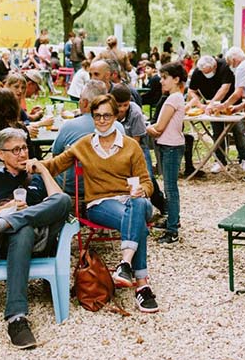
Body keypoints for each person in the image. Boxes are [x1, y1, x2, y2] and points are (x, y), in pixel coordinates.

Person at [37, 95, 160, 313]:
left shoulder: (131, 146)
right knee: (136, 217)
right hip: (101, 204)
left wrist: (143, 190)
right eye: (97, 116)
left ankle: (125, 264)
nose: (102, 120)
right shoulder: (83, 145)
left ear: (116, 116)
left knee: (138, 204)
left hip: (133, 199)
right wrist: (33, 164)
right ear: (92, 117)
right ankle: (142, 285)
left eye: (107, 115)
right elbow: (54, 165)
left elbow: (147, 182)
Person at [0, 127, 71, 349]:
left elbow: (60, 202)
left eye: (24, 148)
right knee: (23, 229)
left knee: (64, 200)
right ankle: (16, 318)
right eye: (16, 150)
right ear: (1, 154)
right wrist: (2, 210)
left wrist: (44, 171)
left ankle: (9, 222)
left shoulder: (36, 176)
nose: (22, 154)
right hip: (5, 243)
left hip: (41, 239)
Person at [145, 62, 187, 243]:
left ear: (176, 79)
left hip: (170, 147)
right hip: (168, 145)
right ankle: (171, 220)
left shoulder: (173, 99)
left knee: (170, 188)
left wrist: (145, 127)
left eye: (164, 78)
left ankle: (172, 230)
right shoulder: (175, 98)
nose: (161, 81)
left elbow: (159, 127)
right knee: (168, 185)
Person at [187, 55, 245, 175]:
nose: (206, 74)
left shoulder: (224, 67)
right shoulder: (198, 72)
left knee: (238, 131)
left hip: (231, 104)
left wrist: (212, 103)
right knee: (218, 133)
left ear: (214, 66)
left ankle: (244, 159)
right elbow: (191, 91)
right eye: (204, 72)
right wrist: (200, 105)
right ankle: (220, 161)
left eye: (209, 72)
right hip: (213, 107)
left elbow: (225, 88)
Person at [111, 86, 166, 216]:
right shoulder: (108, 110)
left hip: (137, 146)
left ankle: (161, 204)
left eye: (125, 105)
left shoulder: (135, 112)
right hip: (115, 146)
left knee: (147, 176)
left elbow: (135, 141)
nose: (122, 109)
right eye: (119, 106)